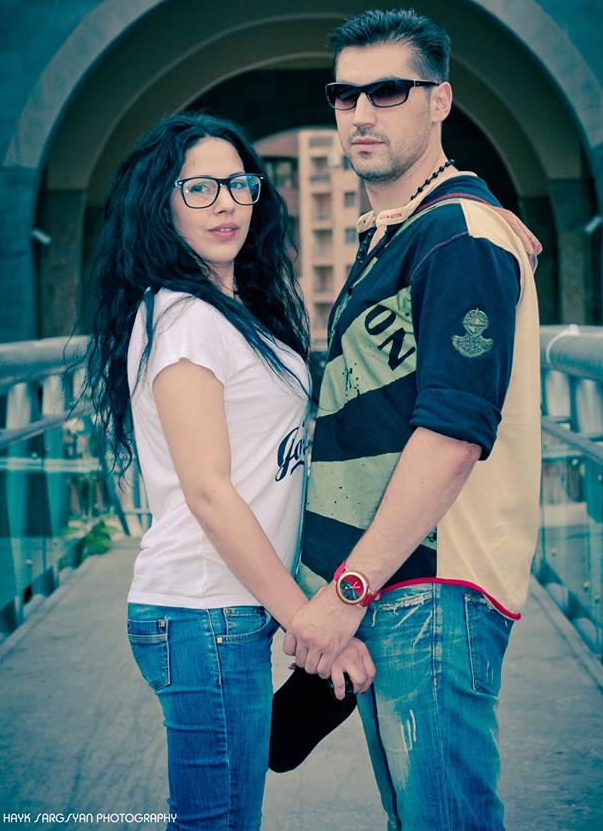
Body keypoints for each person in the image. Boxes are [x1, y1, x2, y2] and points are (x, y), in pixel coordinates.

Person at [286, 9, 542, 831]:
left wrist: (347, 591)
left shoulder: (461, 236)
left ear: (439, 101)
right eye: (346, 95)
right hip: (393, 584)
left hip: (431, 586)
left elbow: (453, 436)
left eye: (389, 91)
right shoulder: (409, 233)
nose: (362, 113)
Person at [83, 112, 375, 831]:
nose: (226, 204)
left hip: (224, 610)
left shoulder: (231, 310)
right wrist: (306, 618)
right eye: (200, 189)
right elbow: (210, 493)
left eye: (239, 184)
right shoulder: (185, 320)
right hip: (202, 611)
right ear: (162, 205)